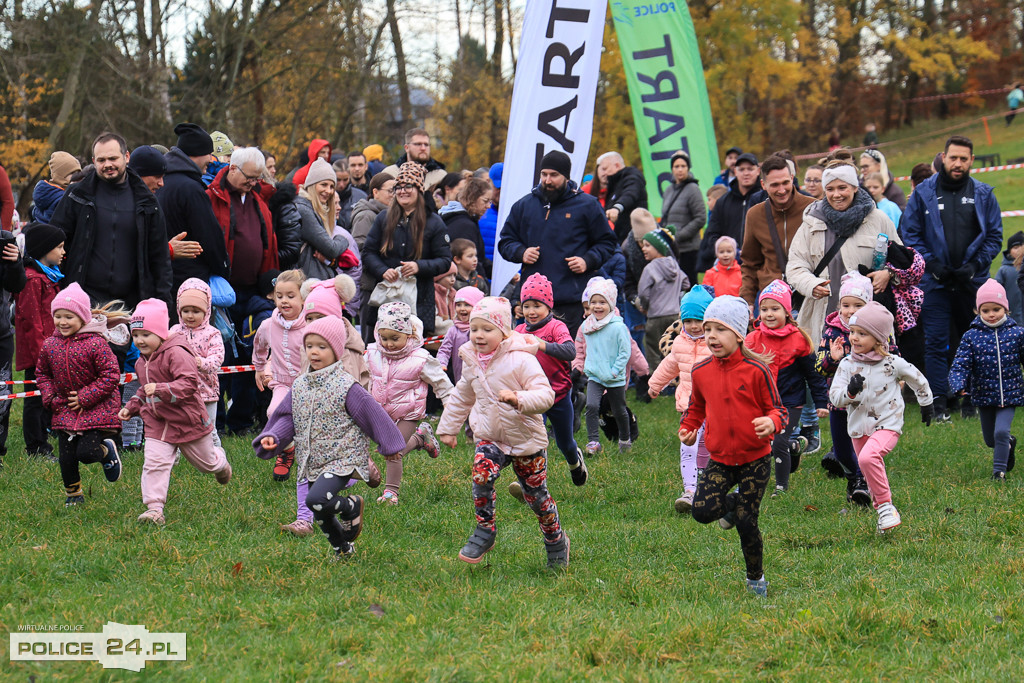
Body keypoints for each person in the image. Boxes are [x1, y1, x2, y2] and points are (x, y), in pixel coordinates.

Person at [254, 316, 405, 557]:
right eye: (310, 346)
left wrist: (390, 444)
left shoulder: (346, 386)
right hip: (312, 459)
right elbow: (286, 417)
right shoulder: (301, 385)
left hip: (342, 458)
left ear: (336, 351)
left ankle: (351, 505)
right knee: (319, 511)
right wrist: (272, 436)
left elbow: (372, 414)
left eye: (322, 347)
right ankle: (343, 550)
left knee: (315, 499)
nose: (314, 352)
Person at [436, 296, 569, 568]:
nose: (479, 335)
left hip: (526, 440)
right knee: (481, 476)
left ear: (504, 331)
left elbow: (546, 395)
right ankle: (486, 530)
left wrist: (519, 398)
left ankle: (555, 539)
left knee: (536, 498)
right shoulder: (472, 360)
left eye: (487, 329)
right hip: (491, 436)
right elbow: (462, 396)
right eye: (474, 329)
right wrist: (449, 428)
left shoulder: (521, 360)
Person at [681, 295, 785, 598]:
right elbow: (696, 407)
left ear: (739, 335)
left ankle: (756, 580)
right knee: (701, 511)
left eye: (720, 329)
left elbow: (778, 410)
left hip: (756, 458)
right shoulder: (701, 372)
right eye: (708, 328)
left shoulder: (757, 370)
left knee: (745, 521)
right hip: (721, 459)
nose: (712, 336)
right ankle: (734, 502)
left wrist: (771, 423)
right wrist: (688, 427)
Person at [902, 136, 1004, 421]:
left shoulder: (984, 194)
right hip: (934, 282)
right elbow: (910, 235)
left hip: (971, 282)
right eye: (953, 158)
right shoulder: (923, 193)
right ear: (943, 158)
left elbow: (995, 237)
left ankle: (970, 398)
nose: (958, 163)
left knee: (972, 341)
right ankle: (938, 402)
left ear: (971, 161)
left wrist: (975, 266)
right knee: (935, 342)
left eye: (963, 158)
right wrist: (931, 265)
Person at [121, 298, 232, 525]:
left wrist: (160, 389)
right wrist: (132, 406)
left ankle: (221, 464)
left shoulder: (177, 353)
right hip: (158, 422)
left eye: (146, 334)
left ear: (161, 333)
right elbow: (145, 389)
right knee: (154, 462)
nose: (140, 341)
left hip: (186, 421)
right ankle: (154, 509)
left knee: (206, 464)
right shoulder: (142, 362)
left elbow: (190, 384)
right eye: (136, 335)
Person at [829, 302, 933, 533]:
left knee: (868, 459)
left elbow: (918, 378)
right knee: (870, 467)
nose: (854, 338)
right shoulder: (847, 365)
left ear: (878, 338)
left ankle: (886, 506)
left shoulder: (892, 363)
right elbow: (835, 397)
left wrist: (926, 403)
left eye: (862, 334)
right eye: (853, 332)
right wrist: (850, 393)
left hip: (887, 424)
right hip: (857, 428)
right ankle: (882, 517)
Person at [497, 150, 617, 336]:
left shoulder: (587, 205)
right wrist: (521, 252)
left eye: (554, 175)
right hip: (534, 302)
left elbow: (607, 243)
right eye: (544, 174)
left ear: (567, 177)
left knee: (569, 359)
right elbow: (505, 242)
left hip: (572, 300)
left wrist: (588, 260)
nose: (547, 180)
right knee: (534, 359)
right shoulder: (525, 205)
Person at [786, 160, 901, 350]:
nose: (836, 194)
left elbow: (902, 259)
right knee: (827, 372)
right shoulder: (812, 221)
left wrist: (888, 273)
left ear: (855, 187)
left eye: (842, 188)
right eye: (830, 189)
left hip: (870, 322)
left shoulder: (877, 218)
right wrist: (811, 285)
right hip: (824, 317)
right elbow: (795, 266)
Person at [50, 132, 172, 308]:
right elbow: (54, 242)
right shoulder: (77, 196)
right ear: (93, 161)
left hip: (132, 304)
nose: (108, 165)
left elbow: (160, 259)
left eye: (113, 158)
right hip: (83, 301)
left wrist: (162, 306)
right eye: (101, 160)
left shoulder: (147, 202)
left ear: (126, 156)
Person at [35, 283, 125, 506]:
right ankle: (74, 495)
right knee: (66, 457)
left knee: (86, 453)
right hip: (64, 409)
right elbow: (42, 374)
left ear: (83, 318)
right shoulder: (50, 345)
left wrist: (86, 397)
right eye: (58, 316)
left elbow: (111, 375)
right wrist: (50, 398)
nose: (62, 322)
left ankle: (106, 452)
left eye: (69, 317)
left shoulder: (96, 344)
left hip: (96, 408)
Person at [744, 280, 828, 496]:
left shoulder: (799, 340)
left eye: (775, 309)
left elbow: (813, 374)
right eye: (764, 309)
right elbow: (742, 371)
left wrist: (821, 402)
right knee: (759, 442)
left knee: (778, 441)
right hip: (762, 402)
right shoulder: (752, 340)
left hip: (790, 402)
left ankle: (781, 487)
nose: (769, 314)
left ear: (787, 312)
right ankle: (791, 449)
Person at [365, 301, 453, 505]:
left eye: (395, 338)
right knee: (389, 447)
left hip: (409, 412)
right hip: (380, 411)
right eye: (384, 338)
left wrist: (450, 405)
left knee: (393, 450)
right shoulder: (372, 354)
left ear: (410, 334)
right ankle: (421, 438)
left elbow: (440, 381)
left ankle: (390, 493)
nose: (388, 344)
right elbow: (362, 377)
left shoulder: (420, 358)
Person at [361, 162, 453, 343]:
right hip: (386, 298)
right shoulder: (383, 218)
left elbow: (445, 260)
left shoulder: (433, 222)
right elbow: (368, 253)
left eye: (408, 186)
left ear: (419, 189)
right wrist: (382, 270)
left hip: (419, 300)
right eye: (399, 187)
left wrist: (419, 266)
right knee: (381, 346)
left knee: (413, 348)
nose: (403, 191)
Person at [515, 273, 588, 489]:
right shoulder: (518, 331)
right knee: (534, 439)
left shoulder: (556, 327)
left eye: (537, 305)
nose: (531, 311)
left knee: (565, 443)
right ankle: (530, 479)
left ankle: (575, 462)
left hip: (559, 395)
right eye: (526, 306)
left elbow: (570, 351)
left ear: (548, 306)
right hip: (533, 395)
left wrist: (541, 344)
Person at [647, 286, 713, 513]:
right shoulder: (680, 343)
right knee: (688, 447)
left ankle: (711, 487)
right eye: (689, 320)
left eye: (699, 320)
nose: (694, 325)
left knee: (709, 446)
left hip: (714, 406)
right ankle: (690, 490)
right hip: (689, 405)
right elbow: (669, 366)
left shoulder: (716, 343)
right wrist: (655, 385)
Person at [949, 280, 1024, 481]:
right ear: (978, 311)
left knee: (1000, 432)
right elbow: (961, 364)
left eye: (997, 309)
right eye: (986, 310)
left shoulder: (1017, 334)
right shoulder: (971, 337)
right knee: (991, 440)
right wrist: (958, 384)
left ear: (1006, 309)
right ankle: (1008, 443)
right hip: (984, 394)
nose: (992, 314)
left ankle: (998, 473)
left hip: (1010, 393)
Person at [813, 272, 877, 505]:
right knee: (841, 451)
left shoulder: (878, 329)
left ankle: (862, 484)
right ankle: (854, 478)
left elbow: (892, 355)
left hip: (868, 403)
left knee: (865, 449)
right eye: (846, 305)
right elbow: (820, 368)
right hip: (839, 403)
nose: (851, 310)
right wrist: (832, 358)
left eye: (858, 305)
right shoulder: (832, 331)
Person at [158, 123, 231, 292]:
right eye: (209, 153)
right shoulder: (190, 188)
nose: (211, 159)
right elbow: (209, 235)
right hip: (190, 280)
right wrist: (223, 267)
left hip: (168, 276)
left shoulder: (164, 181)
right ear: (197, 153)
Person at [16, 223, 65, 458]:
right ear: (44, 249)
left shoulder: (48, 277)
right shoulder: (32, 280)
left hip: (51, 350)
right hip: (39, 354)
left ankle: (47, 435)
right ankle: (36, 446)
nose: (64, 252)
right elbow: (31, 322)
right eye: (59, 247)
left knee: (47, 396)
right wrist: (41, 357)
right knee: (34, 399)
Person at [739, 154, 816, 306]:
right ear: (763, 185)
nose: (781, 190)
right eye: (774, 185)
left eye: (785, 183)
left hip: (808, 295)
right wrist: (747, 301)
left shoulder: (813, 208)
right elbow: (750, 263)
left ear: (792, 178)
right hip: (771, 298)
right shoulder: (754, 215)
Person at [253, 269, 307, 482]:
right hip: (282, 383)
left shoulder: (311, 325)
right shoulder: (268, 325)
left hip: (309, 385)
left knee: (310, 424)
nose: (284, 301)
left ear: (303, 298)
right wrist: (259, 368)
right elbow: (259, 346)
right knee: (274, 412)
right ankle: (287, 450)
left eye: (290, 296)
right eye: (279, 296)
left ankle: (320, 462)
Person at [168, 279, 225, 449]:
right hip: (180, 391)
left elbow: (218, 358)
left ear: (206, 311)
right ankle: (172, 457)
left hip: (206, 391)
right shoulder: (174, 332)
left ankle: (217, 457)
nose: (190, 316)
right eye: (185, 310)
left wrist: (202, 362)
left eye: (195, 311)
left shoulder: (212, 334)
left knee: (208, 428)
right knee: (176, 425)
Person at [581, 277, 633, 455]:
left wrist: (615, 370)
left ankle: (625, 439)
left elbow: (625, 352)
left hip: (614, 376)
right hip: (595, 374)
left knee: (619, 410)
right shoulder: (587, 326)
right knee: (592, 406)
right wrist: (583, 365)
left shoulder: (618, 327)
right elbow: (580, 345)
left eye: (602, 302)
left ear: (611, 304)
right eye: (593, 302)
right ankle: (593, 441)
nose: (597, 306)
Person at [698, 152, 765, 272]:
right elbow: (712, 234)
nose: (746, 173)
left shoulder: (765, 199)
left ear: (758, 171)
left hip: (760, 266)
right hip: (728, 269)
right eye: (742, 169)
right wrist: (727, 252)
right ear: (735, 171)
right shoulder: (723, 202)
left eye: (750, 169)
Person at [636, 225, 687, 369]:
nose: (643, 248)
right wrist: (675, 293)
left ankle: (657, 380)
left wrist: (645, 307)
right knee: (673, 347)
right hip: (675, 315)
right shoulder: (675, 266)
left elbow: (643, 293)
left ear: (658, 248)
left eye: (647, 245)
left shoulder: (650, 268)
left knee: (653, 349)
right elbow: (686, 282)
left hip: (655, 316)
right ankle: (676, 377)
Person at [294, 158, 349, 281]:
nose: (328, 191)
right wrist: (343, 239)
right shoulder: (304, 210)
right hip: (308, 281)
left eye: (331, 186)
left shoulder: (313, 208)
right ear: (312, 185)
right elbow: (331, 249)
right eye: (323, 185)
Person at [660, 150, 705, 285]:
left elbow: (700, 218)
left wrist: (678, 236)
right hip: (671, 248)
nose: (680, 170)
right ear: (672, 169)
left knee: (689, 285)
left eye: (683, 166)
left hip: (688, 249)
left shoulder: (693, 189)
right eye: (676, 166)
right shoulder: (669, 190)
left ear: (688, 168)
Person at [439, 176, 493, 277]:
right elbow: (470, 263)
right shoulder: (465, 226)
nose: (488, 206)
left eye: (490, 202)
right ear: (472, 199)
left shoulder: (462, 219)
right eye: (485, 201)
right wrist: (483, 285)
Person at [383, 128, 447, 209]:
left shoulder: (441, 176)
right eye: (418, 144)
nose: (423, 148)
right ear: (406, 148)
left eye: (426, 144)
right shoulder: (390, 173)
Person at [437, 285, 485, 390]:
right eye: (458, 305)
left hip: (481, 376)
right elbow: (444, 349)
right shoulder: (453, 330)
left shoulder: (482, 329)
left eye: (467, 305)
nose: (462, 308)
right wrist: (441, 363)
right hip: (460, 378)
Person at [598, 151, 648, 242]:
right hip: (622, 237)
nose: (603, 173)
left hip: (635, 239)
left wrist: (617, 208)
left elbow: (630, 193)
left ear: (617, 165)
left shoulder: (632, 177)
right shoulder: (614, 184)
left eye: (605, 169)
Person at [32, 152, 80, 223]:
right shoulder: (62, 200)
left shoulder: (49, 195)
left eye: (79, 173)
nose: (78, 177)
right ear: (61, 176)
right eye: (72, 173)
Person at [351, 172, 395, 250]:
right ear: (375, 192)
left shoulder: (391, 214)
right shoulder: (365, 216)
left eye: (396, 190)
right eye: (390, 191)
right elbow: (359, 247)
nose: (394, 195)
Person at [331, 158, 367, 232]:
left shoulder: (361, 197)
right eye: (338, 180)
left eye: (345, 180)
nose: (341, 184)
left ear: (349, 177)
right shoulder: (324, 197)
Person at [478, 162, 502, 263]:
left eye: (505, 187)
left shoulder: (520, 213)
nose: (502, 191)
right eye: (498, 187)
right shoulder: (480, 213)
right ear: (489, 183)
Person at [998, 231, 1024, 324]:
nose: (1019, 251)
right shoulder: (1004, 270)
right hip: (1012, 316)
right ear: (1009, 251)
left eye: (1021, 247)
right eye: (1015, 247)